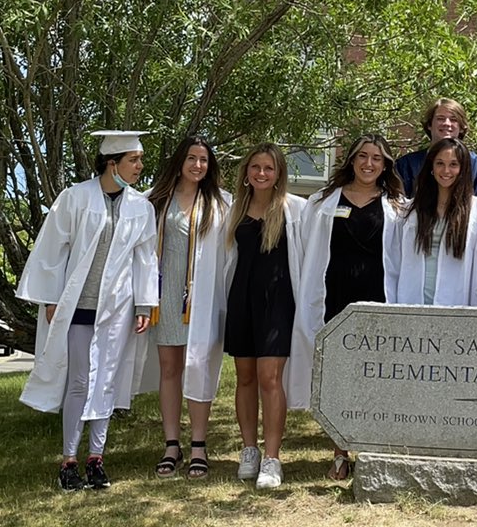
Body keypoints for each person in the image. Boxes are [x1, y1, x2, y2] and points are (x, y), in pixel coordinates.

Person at [18, 130, 159, 491]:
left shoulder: (141, 207)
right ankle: (69, 460)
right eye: (134, 160)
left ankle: (97, 459)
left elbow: (145, 259)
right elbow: (52, 250)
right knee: (79, 381)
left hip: (117, 309)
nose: (140, 166)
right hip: (79, 307)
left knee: (107, 380)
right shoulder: (75, 197)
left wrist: (144, 302)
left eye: (140, 159)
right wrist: (51, 299)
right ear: (112, 163)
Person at [296, 134, 403, 479]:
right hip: (335, 298)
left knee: (376, 375)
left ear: (385, 165)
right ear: (351, 160)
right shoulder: (323, 202)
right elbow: (305, 251)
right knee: (338, 376)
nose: (368, 164)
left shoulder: (398, 206)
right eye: (362, 157)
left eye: (376, 158)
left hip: (377, 299)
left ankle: (371, 450)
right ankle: (340, 451)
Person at [140, 134, 228, 480]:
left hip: (201, 302)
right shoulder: (156, 202)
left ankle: (199, 446)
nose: (197, 165)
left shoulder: (221, 204)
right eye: (191, 158)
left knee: (199, 368)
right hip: (165, 299)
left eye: (204, 160)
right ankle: (171, 444)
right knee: (169, 369)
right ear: (180, 161)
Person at [223, 144, 312, 490]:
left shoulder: (296, 210)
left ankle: (272, 458)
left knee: (269, 378)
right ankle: (250, 451)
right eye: (256, 167)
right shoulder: (234, 211)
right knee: (244, 377)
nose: (262, 173)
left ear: (279, 175)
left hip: (278, 301)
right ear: (246, 172)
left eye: (269, 168)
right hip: (241, 299)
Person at [385, 138, 477, 306]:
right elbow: (395, 259)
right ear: (431, 167)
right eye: (440, 163)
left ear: (463, 169)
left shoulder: (476, 210)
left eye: (453, 164)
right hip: (414, 300)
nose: (446, 170)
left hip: (455, 303)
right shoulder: (411, 209)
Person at [394, 99, 477, 198]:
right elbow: (400, 207)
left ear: (462, 127)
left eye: (454, 119)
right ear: (429, 125)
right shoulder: (407, 165)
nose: (447, 123)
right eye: (440, 118)